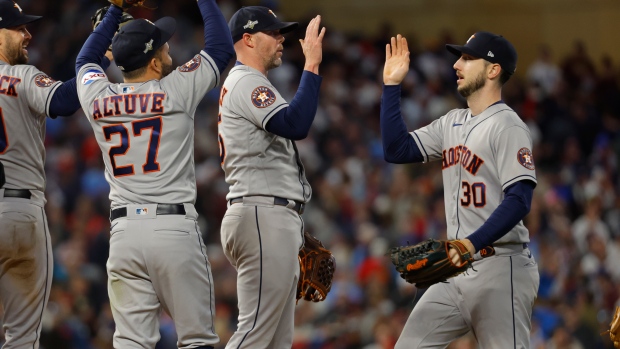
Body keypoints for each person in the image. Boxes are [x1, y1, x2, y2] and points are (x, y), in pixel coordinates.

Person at [74, 1, 233, 347]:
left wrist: (114, 10)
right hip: (172, 229)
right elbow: (221, 47)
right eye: (162, 43)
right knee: (197, 340)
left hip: (125, 235)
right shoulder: (174, 90)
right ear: (154, 61)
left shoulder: (98, 96)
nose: (168, 45)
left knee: (131, 342)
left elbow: (85, 61)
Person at [381, 33, 539, 347]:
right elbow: (396, 149)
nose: (456, 64)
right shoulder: (451, 122)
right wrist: (391, 85)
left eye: (468, 58)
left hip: (501, 265)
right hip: (458, 270)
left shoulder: (508, 126)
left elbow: (520, 199)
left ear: (493, 70)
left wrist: (470, 243)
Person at [0, 0, 107, 347]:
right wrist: (96, 59)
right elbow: (63, 100)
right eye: (18, 28)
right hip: (19, 212)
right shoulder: (19, 76)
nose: (28, 34)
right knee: (22, 336)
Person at [218, 6, 325, 348]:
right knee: (254, 336)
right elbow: (296, 125)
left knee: (276, 341)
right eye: (273, 32)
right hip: (263, 214)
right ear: (248, 39)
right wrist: (312, 65)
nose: (282, 38)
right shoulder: (246, 81)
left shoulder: (250, 82)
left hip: (267, 213)